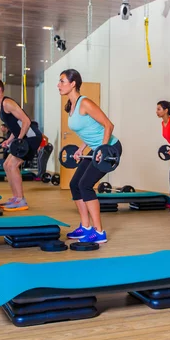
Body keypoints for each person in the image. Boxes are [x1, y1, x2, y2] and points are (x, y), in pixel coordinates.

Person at [59, 69, 122, 244]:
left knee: (85, 185)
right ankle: (85, 227)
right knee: (74, 184)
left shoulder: (84, 102)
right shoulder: (70, 107)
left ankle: (99, 231)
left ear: (73, 84)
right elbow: (89, 130)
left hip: (109, 148)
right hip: (96, 149)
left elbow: (108, 125)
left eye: (62, 81)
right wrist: (81, 148)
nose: (59, 85)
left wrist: (102, 148)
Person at [0, 79, 42, 211]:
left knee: (13, 165)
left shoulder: (7, 103)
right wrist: (10, 140)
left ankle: (21, 200)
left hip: (31, 137)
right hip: (23, 137)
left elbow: (26, 121)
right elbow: (14, 126)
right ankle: (15, 197)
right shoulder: (0, 106)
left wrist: (19, 140)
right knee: (7, 165)